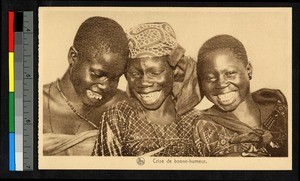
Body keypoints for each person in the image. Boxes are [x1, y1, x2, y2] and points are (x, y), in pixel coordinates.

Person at [92, 22, 202, 156]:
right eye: (134, 74)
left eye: (155, 73)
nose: (144, 82)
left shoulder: (196, 121)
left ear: (174, 71)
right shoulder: (118, 117)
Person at [43, 17, 129, 156]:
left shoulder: (123, 107)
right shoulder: (33, 103)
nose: (106, 86)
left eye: (115, 78)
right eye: (97, 74)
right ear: (73, 57)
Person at [193, 34, 288, 157]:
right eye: (210, 78)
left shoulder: (281, 113)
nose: (221, 84)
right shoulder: (203, 126)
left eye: (230, 73)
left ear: (248, 70)